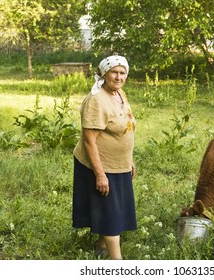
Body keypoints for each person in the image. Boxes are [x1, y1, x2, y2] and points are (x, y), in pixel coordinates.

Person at [72, 55, 137, 260]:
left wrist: (129, 159)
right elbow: (89, 140)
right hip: (100, 164)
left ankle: (101, 244)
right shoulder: (96, 100)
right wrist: (100, 175)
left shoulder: (119, 94)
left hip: (119, 164)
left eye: (122, 72)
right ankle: (116, 261)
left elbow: (124, 127)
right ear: (104, 74)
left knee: (112, 207)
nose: (118, 77)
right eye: (114, 72)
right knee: (111, 212)